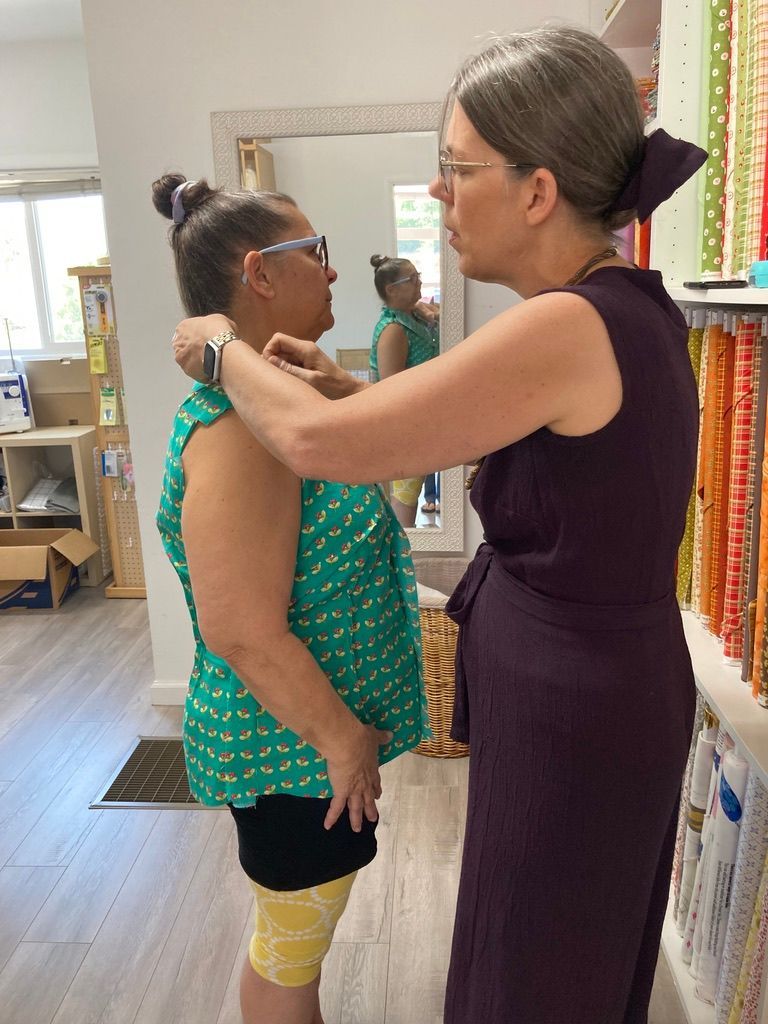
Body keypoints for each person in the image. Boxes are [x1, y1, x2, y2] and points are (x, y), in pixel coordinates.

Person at [171, 25, 707, 1024]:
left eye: (457, 169)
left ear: (537, 190)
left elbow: (318, 445)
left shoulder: (566, 324)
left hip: (578, 711)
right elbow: (541, 455)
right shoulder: (603, 313)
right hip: (583, 695)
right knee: (546, 956)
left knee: (540, 972)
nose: (438, 194)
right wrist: (350, 385)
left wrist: (217, 348)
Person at [153, 174, 427, 1024]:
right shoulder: (243, 431)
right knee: (286, 960)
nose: (334, 272)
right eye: (316, 253)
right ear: (259, 275)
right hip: (296, 759)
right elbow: (241, 630)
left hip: (307, 756)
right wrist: (344, 742)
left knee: (290, 944)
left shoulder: (282, 404)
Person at [368, 254, 440, 525]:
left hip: (423, 419)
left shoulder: (414, 317)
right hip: (405, 425)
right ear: (392, 290)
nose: (419, 282)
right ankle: (407, 554)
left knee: (413, 488)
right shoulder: (393, 330)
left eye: (418, 276)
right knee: (406, 495)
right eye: (412, 279)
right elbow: (391, 390)